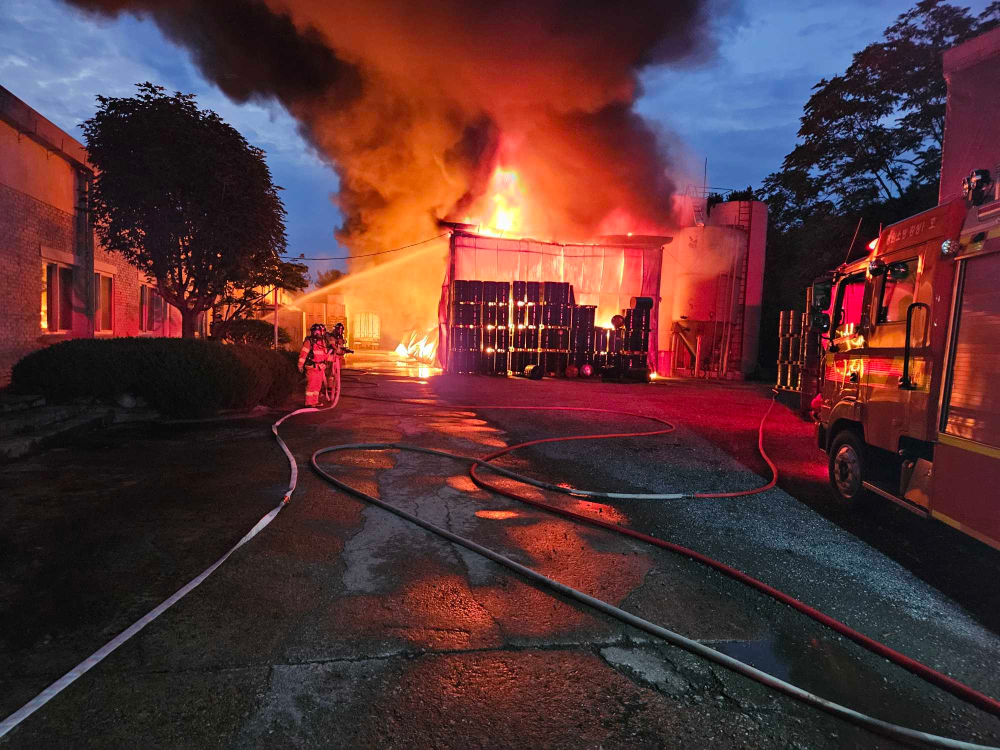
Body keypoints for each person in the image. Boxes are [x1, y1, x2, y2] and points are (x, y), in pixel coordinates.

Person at [297, 323, 333, 407]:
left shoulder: (322, 342)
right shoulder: (309, 342)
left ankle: (315, 401)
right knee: (311, 385)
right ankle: (309, 402)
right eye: (314, 331)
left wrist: (333, 359)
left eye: (318, 331)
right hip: (312, 367)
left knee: (318, 385)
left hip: (320, 368)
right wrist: (300, 365)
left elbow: (325, 355)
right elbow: (303, 354)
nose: (316, 333)